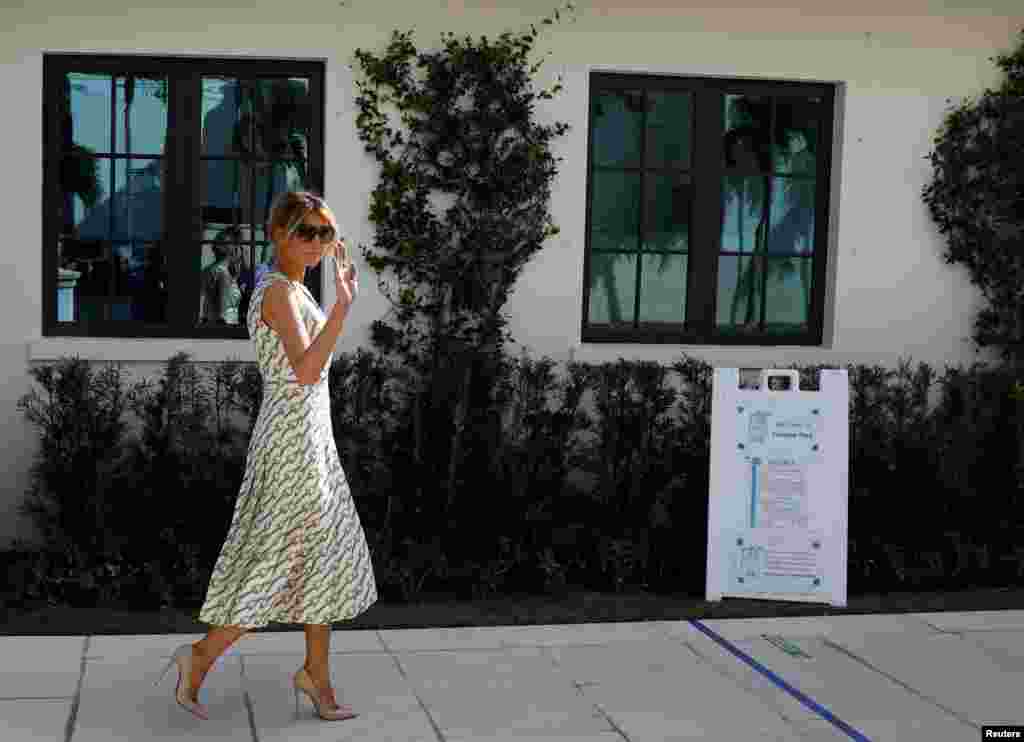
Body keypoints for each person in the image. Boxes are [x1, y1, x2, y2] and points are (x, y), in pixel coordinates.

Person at [155, 191, 377, 723]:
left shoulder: (291, 289)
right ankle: (200, 657)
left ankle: (316, 679)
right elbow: (304, 371)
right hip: (291, 443)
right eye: (307, 232)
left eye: (325, 233)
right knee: (277, 562)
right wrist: (343, 308)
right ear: (279, 234)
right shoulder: (278, 291)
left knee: (319, 558)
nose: (318, 243)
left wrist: (336, 304)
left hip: (307, 436)